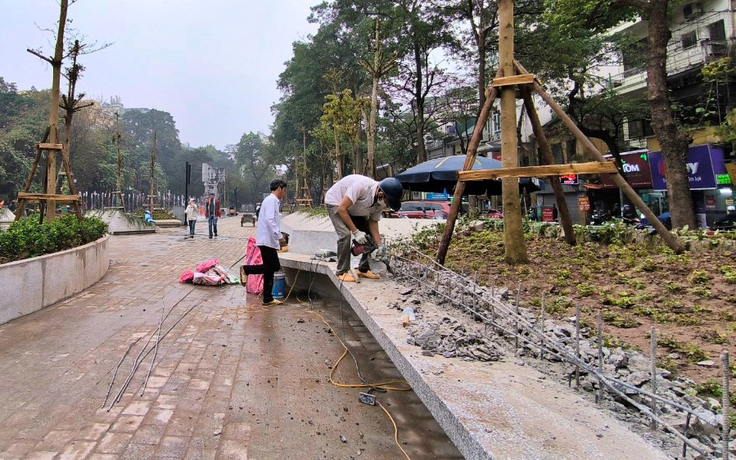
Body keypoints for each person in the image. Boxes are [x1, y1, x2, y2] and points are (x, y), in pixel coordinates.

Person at [324, 175, 403, 282]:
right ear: (380, 193)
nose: (387, 204)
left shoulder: (381, 202)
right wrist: (356, 232)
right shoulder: (361, 186)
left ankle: (363, 269)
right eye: (387, 201)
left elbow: (373, 222)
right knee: (345, 235)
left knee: (370, 237)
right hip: (336, 202)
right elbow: (342, 209)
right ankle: (341, 272)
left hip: (354, 208)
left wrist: (379, 246)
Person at [240, 180, 288, 306]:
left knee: (269, 269)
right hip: (267, 240)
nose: (284, 193)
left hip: (267, 240)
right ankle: (247, 269)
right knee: (274, 266)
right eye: (284, 190)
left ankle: (268, 298)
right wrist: (279, 236)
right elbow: (270, 219)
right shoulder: (272, 200)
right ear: (279, 188)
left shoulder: (270, 200)